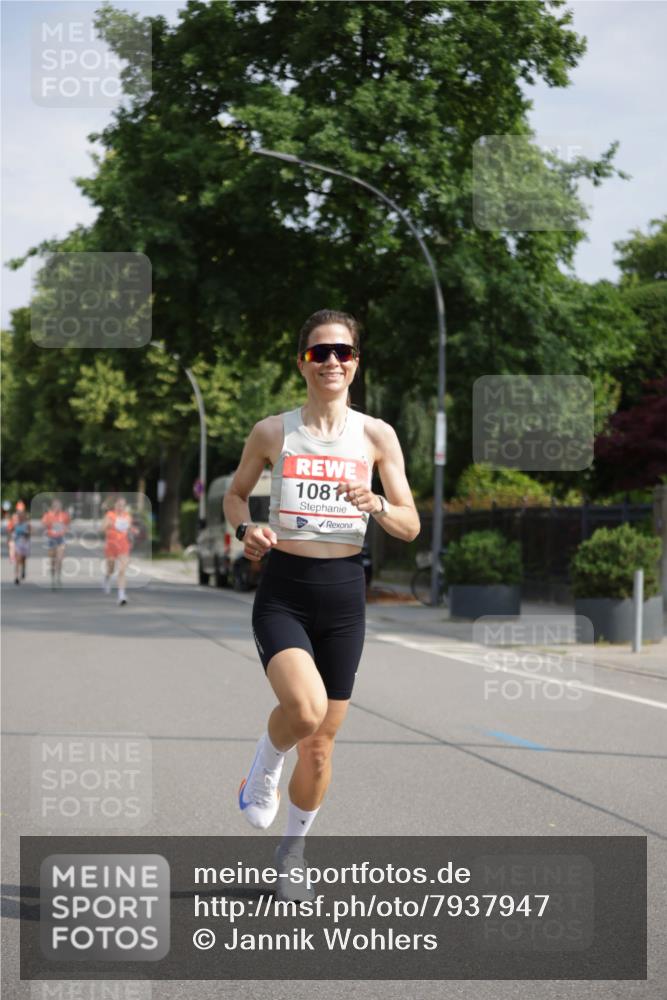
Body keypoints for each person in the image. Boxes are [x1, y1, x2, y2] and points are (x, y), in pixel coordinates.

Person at [224, 309, 420, 901]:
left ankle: (292, 852)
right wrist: (245, 531)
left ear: (356, 361)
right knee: (304, 713)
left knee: (321, 741)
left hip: (343, 596)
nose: (332, 360)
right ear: (303, 362)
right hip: (284, 589)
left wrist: (378, 502)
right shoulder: (272, 432)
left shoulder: (377, 436)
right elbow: (235, 496)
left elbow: (410, 524)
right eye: (319, 352)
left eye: (344, 351)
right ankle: (264, 765)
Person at [102, 496, 138, 606]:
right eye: (119, 505)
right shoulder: (110, 515)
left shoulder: (127, 516)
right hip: (111, 545)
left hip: (123, 546)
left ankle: (121, 596)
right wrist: (107, 525)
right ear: (115, 506)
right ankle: (107, 578)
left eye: (123, 505)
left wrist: (134, 530)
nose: (121, 507)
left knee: (122, 570)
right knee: (111, 569)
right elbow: (102, 528)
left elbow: (129, 528)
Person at [41, 498, 70, 589]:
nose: (57, 508)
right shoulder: (48, 515)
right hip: (51, 539)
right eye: (55, 506)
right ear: (52, 507)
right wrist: (49, 523)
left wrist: (65, 529)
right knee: (52, 561)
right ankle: (53, 578)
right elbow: (43, 524)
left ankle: (58, 577)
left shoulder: (64, 515)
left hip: (61, 538)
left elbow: (68, 524)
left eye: (59, 506)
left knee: (60, 559)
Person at [12, 509, 31, 584]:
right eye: (19, 516)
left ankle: (23, 570)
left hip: (25, 543)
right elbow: (11, 532)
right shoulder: (15, 524)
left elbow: (30, 533)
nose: (20, 517)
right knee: (17, 560)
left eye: (21, 516)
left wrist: (27, 533)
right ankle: (16, 577)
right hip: (18, 543)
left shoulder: (27, 524)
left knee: (23, 559)